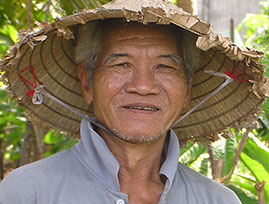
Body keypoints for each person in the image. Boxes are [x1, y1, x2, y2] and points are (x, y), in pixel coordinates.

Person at [0, 0, 267, 203]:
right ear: (87, 83)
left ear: (188, 90)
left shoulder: (216, 200)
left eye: (164, 66)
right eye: (121, 63)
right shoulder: (27, 193)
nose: (143, 86)